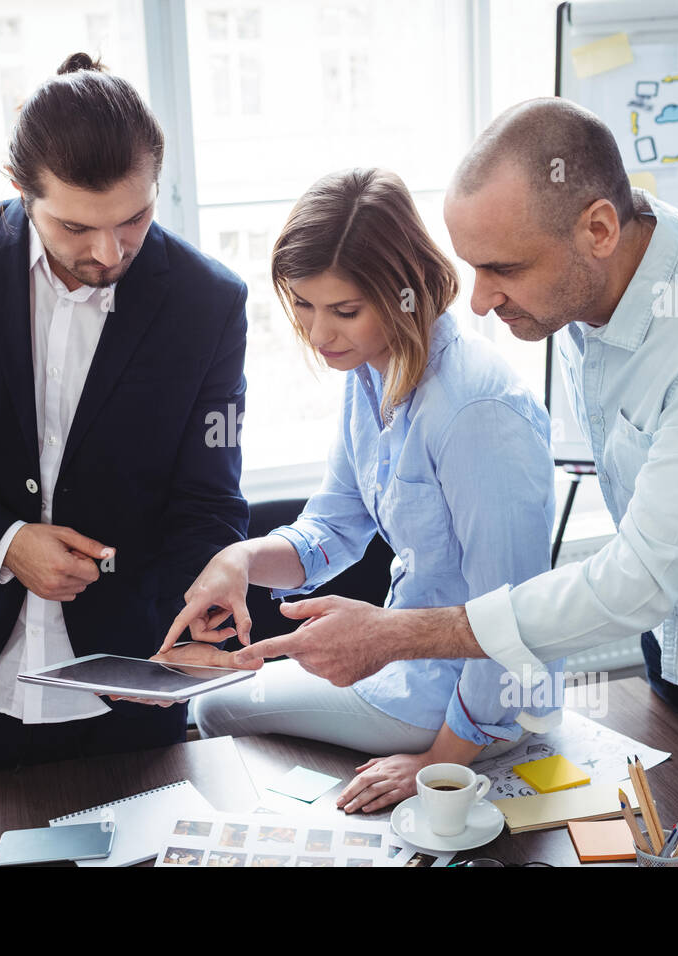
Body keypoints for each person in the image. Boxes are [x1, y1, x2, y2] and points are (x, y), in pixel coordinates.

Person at [227, 98, 678, 837]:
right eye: (473, 266)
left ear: (599, 230)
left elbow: (636, 580)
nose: (478, 301)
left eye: (503, 269)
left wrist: (397, 635)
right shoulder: (586, 279)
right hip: (674, 632)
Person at [0, 53, 250, 780]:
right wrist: (5, 543)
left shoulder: (209, 301)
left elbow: (209, 496)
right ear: (19, 189)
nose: (110, 251)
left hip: (136, 678)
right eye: (76, 226)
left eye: (135, 218)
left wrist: (197, 610)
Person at [159, 168, 563, 814]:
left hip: (477, 700)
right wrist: (239, 559)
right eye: (303, 305)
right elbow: (332, 530)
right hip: (410, 670)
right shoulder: (372, 372)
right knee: (213, 698)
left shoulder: (474, 412)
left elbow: (511, 626)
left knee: (213, 706)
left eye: (344, 311)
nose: (319, 335)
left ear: (405, 292)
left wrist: (437, 764)